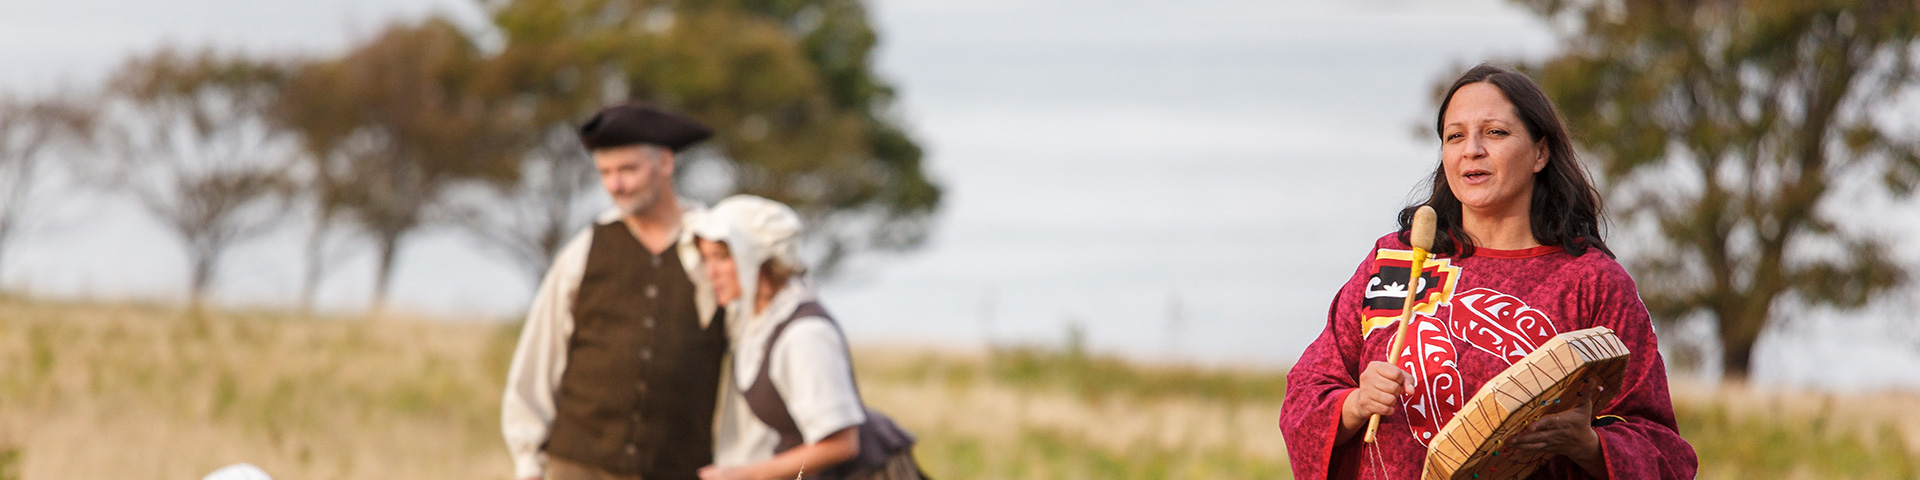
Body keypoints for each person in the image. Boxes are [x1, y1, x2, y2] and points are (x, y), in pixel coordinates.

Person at [1277, 64, 1698, 479]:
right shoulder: (1396, 260)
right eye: (1454, 136)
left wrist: (1587, 445)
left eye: (1495, 132)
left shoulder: (1592, 282)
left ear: (1540, 152)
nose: (1471, 149)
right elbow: (1302, 401)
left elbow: (1665, 456)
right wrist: (1355, 403)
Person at [502, 103, 729, 480]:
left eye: (628, 170)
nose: (615, 185)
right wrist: (528, 460)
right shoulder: (584, 250)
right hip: (577, 466)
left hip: (680, 468)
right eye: (605, 173)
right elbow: (541, 354)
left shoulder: (714, 249)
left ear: (666, 163)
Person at [691, 195, 924, 480]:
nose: (709, 271)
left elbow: (841, 444)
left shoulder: (804, 334)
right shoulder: (755, 321)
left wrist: (747, 475)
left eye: (721, 257)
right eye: (705, 258)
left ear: (756, 256)